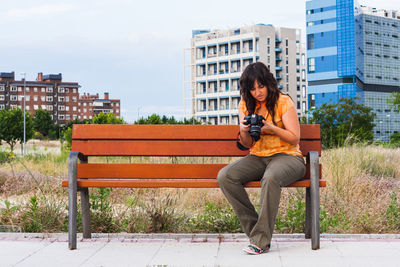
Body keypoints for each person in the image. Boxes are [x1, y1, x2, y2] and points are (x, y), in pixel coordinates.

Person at [217, 62, 306, 255]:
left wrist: (272, 128)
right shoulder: (245, 104)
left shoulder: (283, 101)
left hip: (288, 157)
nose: (258, 92)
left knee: (271, 177)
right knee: (225, 176)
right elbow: (248, 144)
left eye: (261, 86)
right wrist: (243, 130)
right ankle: (257, 233)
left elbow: (294, 138)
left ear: (268, 83)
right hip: (258, 156)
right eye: (253, 88)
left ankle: (260, 241)